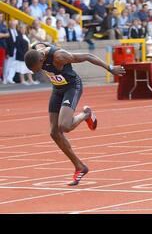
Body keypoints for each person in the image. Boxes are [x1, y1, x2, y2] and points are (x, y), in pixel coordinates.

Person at [24, 42, 126, 186]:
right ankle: (80, 167)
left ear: (41, 60)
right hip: (57, 89)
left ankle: (86, 114)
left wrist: (110, 68)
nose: (37, 72)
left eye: (37, 69)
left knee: (64, 126)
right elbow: (40, 43)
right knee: (54, 133)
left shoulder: (59, 57)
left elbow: (87, 56)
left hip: (72, 87)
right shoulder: (37, 51)